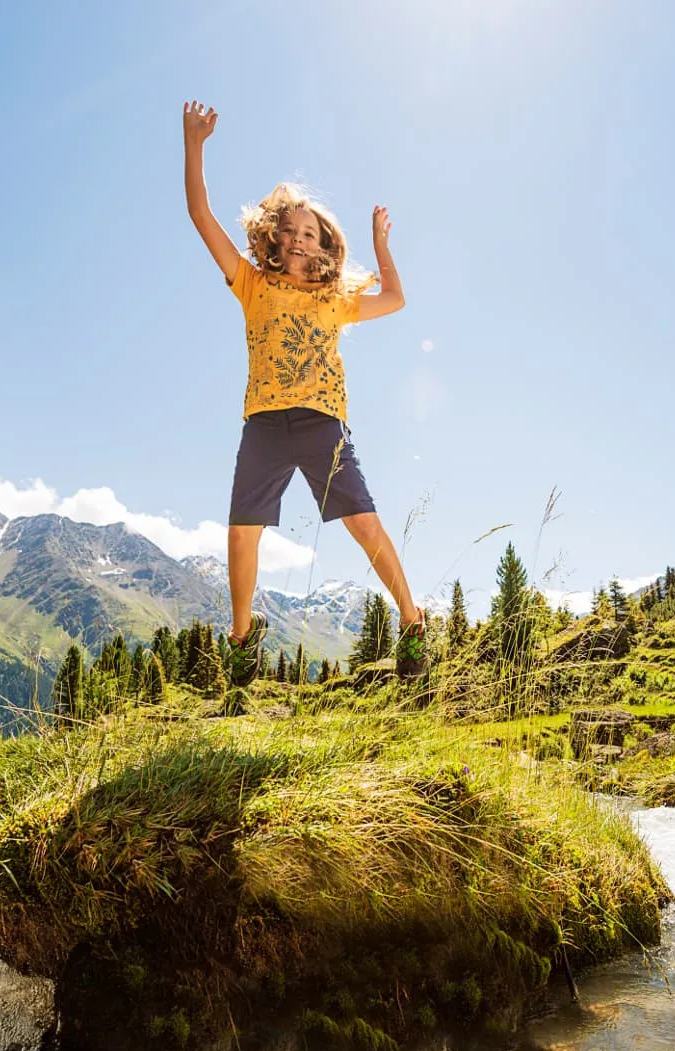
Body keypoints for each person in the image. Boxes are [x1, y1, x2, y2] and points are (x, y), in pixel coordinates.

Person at [182, 99, 427, 687]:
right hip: (265, 425)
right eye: (288, 230)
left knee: (363, 524)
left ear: (324, 245)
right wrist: (194, 145)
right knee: (241, 531)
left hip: (322, 424)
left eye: (308, 233)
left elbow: (395, 299)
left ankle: (413, 621)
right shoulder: (250, 282)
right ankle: (242, 639)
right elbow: (200, 214)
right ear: (273, 236)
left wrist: (382, 246)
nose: (297, 239)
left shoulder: (335, 299)